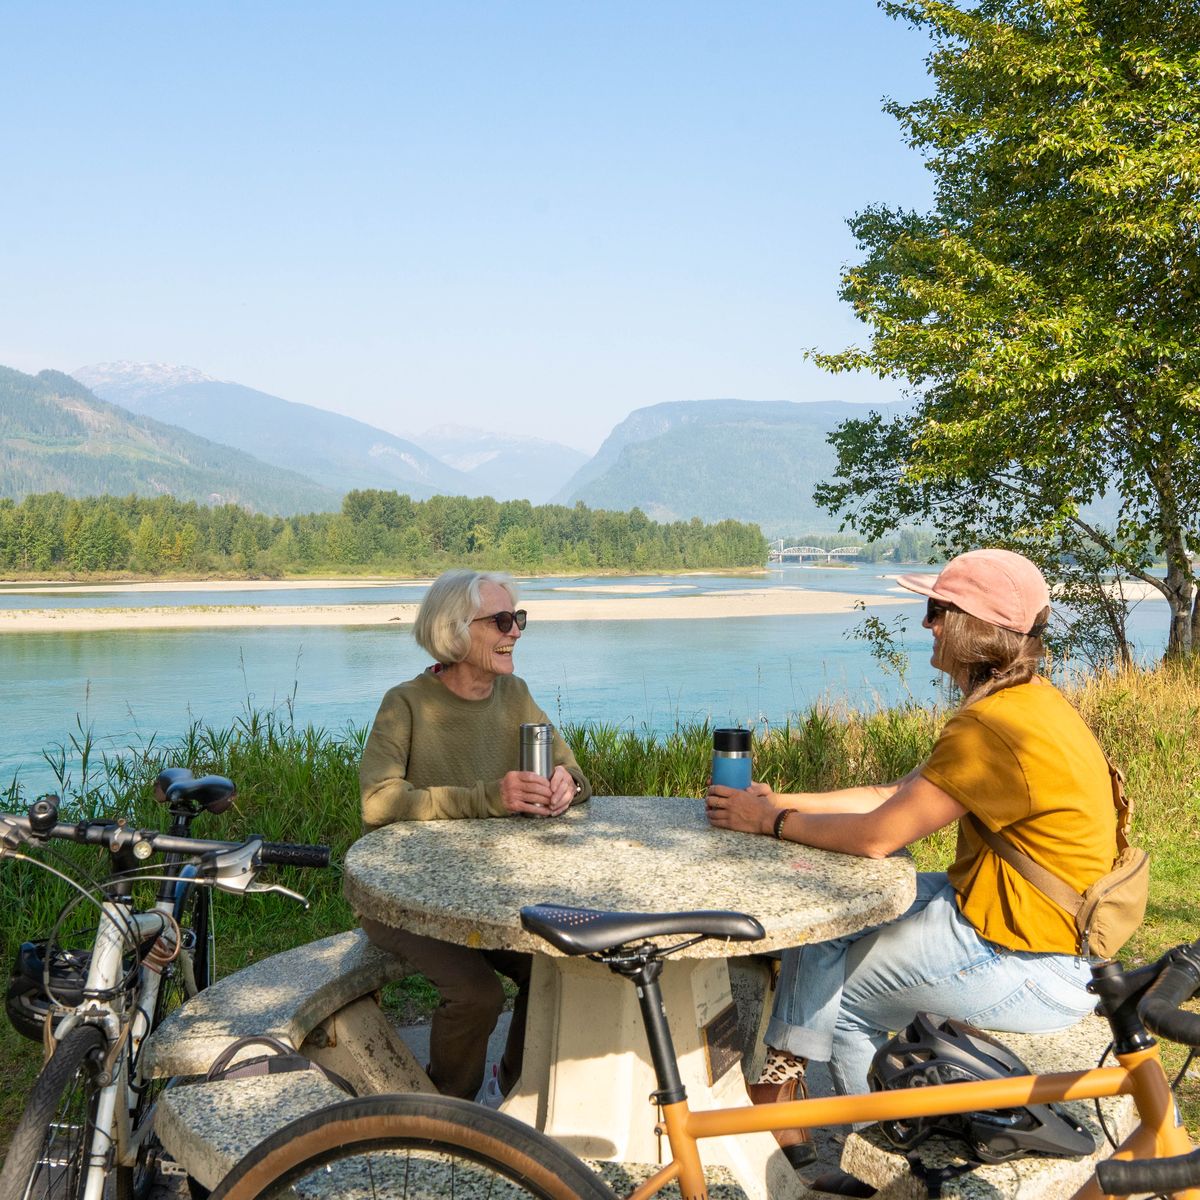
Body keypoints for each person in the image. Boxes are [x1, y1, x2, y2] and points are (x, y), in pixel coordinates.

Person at [705, 549, 1115, 1195]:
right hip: (1037, 929)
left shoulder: (993, 727)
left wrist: (769, 824)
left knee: (840, 1006)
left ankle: (886, 1162)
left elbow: (878, 835)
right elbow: (893, 794)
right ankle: (782, 1091)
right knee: (832, 912)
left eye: (935, 612)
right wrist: (777, 802)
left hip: (1031, 960)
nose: (925, 626)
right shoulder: (1027, 704)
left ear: (970, 627)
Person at [357, 569, 591, 1103]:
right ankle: (453, 1114)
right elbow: (377, 803)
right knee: (477, 995)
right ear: (454, 630)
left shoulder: (515, 694)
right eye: (502, 621)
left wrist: (564, 786)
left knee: (554, 970)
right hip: (403, 897)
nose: (516, 631)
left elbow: (575, 773)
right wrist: (491, 797)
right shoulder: (406, 703)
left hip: (494, 893)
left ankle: (513, 1086)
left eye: (520, 619)